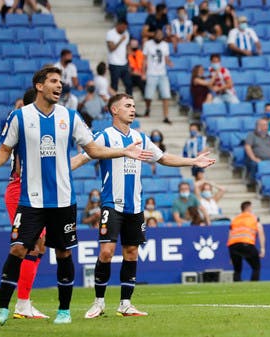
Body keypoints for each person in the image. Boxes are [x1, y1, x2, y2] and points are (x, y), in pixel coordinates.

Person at [0, 67, 153, 326]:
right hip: (30, 200)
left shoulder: (71, 117)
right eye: (53, 81)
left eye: (61, 81)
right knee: (17, 249)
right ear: (39, 86)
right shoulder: (20, 117)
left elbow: (93, 150)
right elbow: (4, 151)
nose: (60, 85)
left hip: (64, 200)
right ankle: (3, 309)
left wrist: (122, 152)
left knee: (64, 253)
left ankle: (63, 311)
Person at [70, 93, 215, 319]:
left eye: (134, 105)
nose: (132, 108)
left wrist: (193, 161)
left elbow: (163, 158)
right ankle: (98, 302)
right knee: (106, 252)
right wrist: (58, 170)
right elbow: (83, 157)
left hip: (135, 207)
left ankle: (125, 304)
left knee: (131, 252)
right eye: (127, 105)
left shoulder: (140, 137)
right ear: (114, 110)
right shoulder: (105, 135)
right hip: (112, 205)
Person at [3, 88, 48, 320]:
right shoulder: (24, 128)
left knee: (39, 245)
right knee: (29, 246)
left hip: (36, 192)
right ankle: (21, 304)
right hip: (21, 190)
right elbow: (20, 167)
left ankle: (24, 302)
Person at [227, 201, 265, 281]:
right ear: (248, 208)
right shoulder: (254, 218)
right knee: (256, 267)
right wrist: (262, 248)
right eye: (251, 207)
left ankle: (237, 288)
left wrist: (231, 255)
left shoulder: (235, 219)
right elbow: (260, 232)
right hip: (246, 244)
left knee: (237, 270)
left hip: (233, 245)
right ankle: (254, 285)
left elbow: (230, 234)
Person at [143, 30, 174, 123]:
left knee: (166, 95)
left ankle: (166, 116)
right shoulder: (148, 44)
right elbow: (144, 59)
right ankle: (147, 109)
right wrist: (143, 72)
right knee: (148, 95)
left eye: (161, 35)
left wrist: (169, 62)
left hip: (162, 73)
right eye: (157, 34)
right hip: (151, 73)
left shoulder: (165, 44)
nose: (159, 36)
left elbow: (166, 57)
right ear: (154, 35)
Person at [244, 118, 270, 184]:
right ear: (258, 127)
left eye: (267, 125)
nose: (266, 127)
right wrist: (254, 158)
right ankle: (252, 184)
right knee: (254, 165)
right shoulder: (251, 135)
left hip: (269, 160)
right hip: (257, 160)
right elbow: (247, 147)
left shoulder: (269, 136)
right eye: (264, 125)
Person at [106, 19, 133, 96]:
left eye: (125, 28)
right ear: (118, 25)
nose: (124, 29)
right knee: (114, 86)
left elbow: (127, 47)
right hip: (114, 63)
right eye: (123, 27)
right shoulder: (110, 33)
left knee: (129, 84)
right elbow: (111, 48)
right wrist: (120, 40)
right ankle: (113, 105)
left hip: (124, 63)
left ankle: (129, 103)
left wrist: (129, 60)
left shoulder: (126, 33)